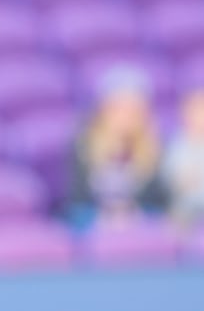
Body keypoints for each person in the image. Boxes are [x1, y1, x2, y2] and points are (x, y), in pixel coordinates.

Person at [65, 66, 168, 230]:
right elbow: (75, 201)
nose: (126, 117)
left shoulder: (155, 149)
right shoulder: (82, 148)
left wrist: (134, 216)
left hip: (141, 228)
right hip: (93, 226)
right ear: (104, 111)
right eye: (119, 109)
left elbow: (159, 204)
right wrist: (105, 217)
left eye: (133, 111)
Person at [163, 86, 204, 231]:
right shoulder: (178, 144)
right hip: (185, 204)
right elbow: (172, 180)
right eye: (196, 113)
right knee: (178, 216)